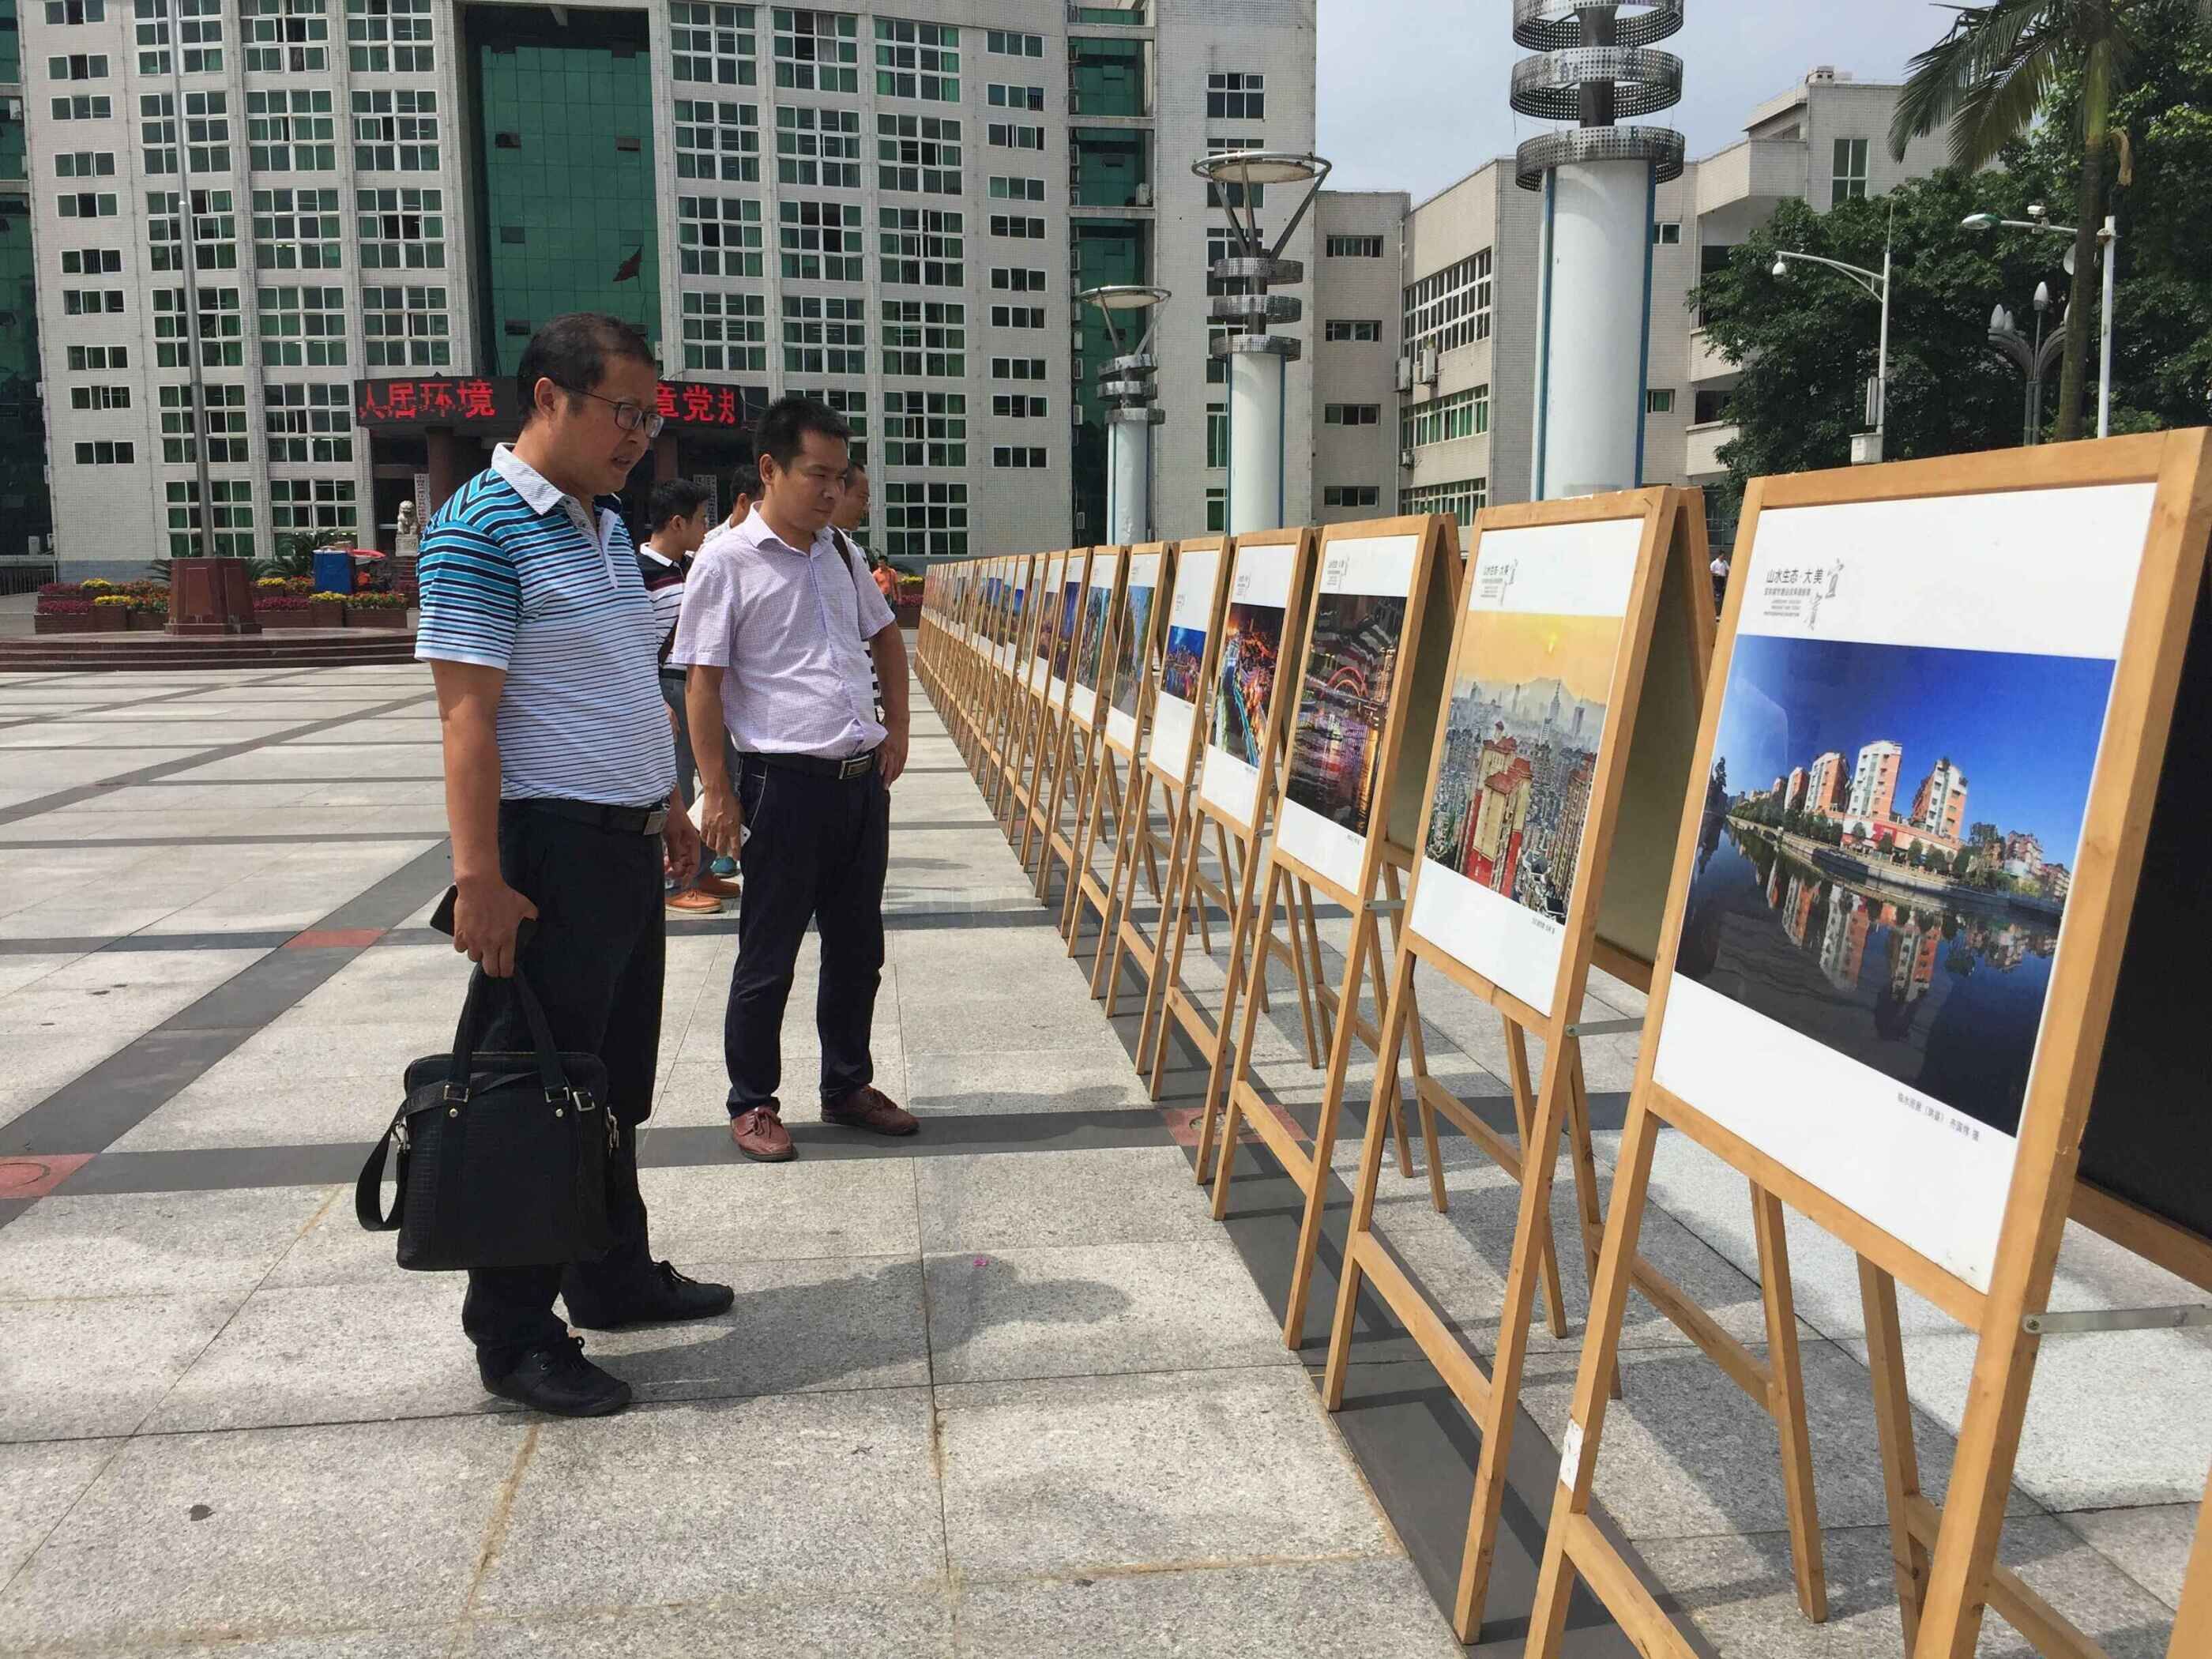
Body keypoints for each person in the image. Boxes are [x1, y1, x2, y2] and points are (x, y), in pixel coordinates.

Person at [415, 312, 734, 1416]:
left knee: (608, 1085)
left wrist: (666, 806)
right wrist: (479, 877)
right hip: (545, 851)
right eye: (624, 412)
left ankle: (611, 1273)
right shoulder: (478, 528)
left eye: (651, 415)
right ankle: (511, 1336)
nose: (641, 434)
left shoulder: (599, 525)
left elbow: (614, 682)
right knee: (535, 1094)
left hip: (622, 843)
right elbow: (467, 719)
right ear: (549, 397)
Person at [673, 397, 914, 1162]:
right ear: (770, 469)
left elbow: (886, 637)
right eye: (817, 475)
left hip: (858, 784)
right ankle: (752, 1101)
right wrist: (717, 789)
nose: (831, 491)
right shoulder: (724, 561)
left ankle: (846, 1085)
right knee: (768, 955)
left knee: (857, 950)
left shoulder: (839, 551)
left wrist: (898, 727)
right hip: (782, 786)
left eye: (840, 477)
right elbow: (702, 683)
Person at [638, 478, 739, 916]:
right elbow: (632, 642)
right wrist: (651, 699)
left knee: (719, 777)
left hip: (701, 686)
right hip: (664, 687)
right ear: (677, 523)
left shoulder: (695, 566)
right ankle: (673, 881)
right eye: (700, 520)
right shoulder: (638, 572)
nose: (706, 528)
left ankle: (701, 869)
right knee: (676, 782)